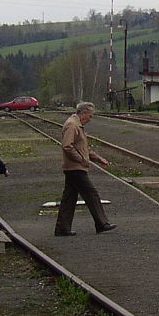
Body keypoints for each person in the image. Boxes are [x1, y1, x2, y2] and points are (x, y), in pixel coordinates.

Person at [55, 101, 116, 236]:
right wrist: (81, 160)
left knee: (69, 198)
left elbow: (84, 149)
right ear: (83, 114)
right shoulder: (72, 125)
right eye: (90, 116)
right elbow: (67, 146)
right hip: (75, 168)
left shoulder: (77, 125)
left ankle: (62, 229)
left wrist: (98, 159)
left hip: (74, 167)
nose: (90, 119)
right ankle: (102, 223)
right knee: (91, 194)